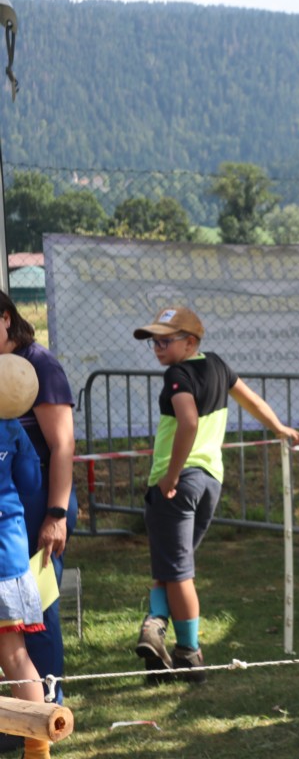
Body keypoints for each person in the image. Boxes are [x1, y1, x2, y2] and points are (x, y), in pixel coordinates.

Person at [132, 306, 299, 684]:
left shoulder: (177, 375)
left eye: (165, 340)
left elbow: (188, 421)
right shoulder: (219, 365)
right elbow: (251, 400)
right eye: (153, 342)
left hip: (176, 483)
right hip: (210, 481)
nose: (157, 347)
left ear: (190, 342)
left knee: (178, 572)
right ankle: (156, 638)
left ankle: (186, 652)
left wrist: (170, 476)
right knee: (171, 564)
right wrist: (278, 427)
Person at [0, 293, 76, 712]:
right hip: (12, 510)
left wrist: (56, 514)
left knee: (37, 612)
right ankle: (19, 716)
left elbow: (62, 445)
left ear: (6, 318)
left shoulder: (39, 364)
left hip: (42, 503)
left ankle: (47, 712)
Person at [0, 354, 54, 759]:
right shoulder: (13, 429)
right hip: (10, 556)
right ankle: (38, 749)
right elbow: (32, 483)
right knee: (17, 656)